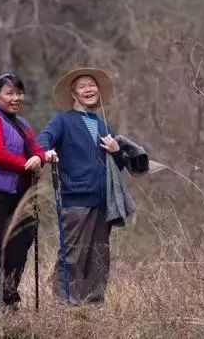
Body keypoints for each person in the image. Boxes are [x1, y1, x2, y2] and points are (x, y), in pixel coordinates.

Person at [38, 67, 126, 306]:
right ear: (74, 94)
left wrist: (118, 151)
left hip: (102, 200)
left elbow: (121, 162)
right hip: (75, 197)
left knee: (99, 254)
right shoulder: (62, 120)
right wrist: (47, 152)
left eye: (92, 85)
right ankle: (65, 303)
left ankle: (93, 303)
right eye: (83, 86)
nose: (89, 90)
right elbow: (43, 139)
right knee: (73, 253)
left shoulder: (103, 124)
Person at [0, 73, 46, 320]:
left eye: (19, 93)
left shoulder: (23, 124)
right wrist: (28, 164)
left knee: (19, 247)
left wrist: (42, 158)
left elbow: (37, 150)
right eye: (9, 93)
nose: (16, 98)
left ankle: (10, 299)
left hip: (20, 195)